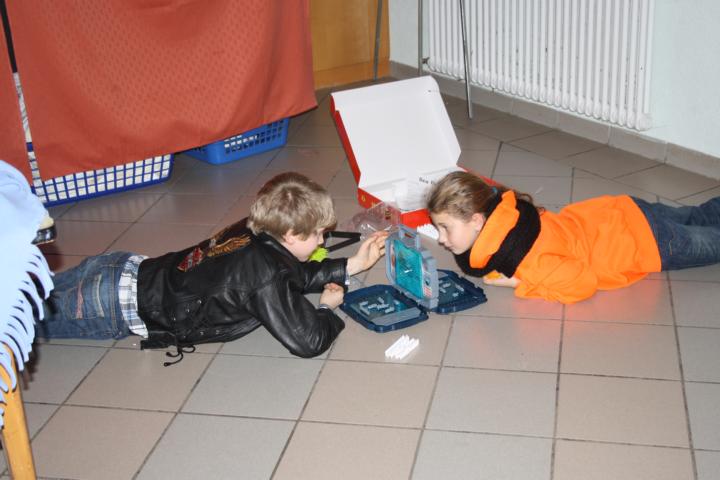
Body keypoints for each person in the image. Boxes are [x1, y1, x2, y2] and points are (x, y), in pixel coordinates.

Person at [41, 172, 387, 364]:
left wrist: (351, 265)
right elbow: (308, 341)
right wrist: (326, 309)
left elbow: (290, 273)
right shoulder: (265, 275)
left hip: (117, 268)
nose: (323, 241)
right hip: (112, 305)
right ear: (292, 235)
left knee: (24, 290)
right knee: (22, 323)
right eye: (319, 234)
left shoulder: (253, 229)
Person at [426, 171, 720, 304]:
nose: (440, 238)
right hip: (623, 211)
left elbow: (582, 284)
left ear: (478, 221)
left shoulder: (525, 261)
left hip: (647, 241)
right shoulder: (510, 215)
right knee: (700, 215)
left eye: (445, 227)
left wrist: (522, 285)